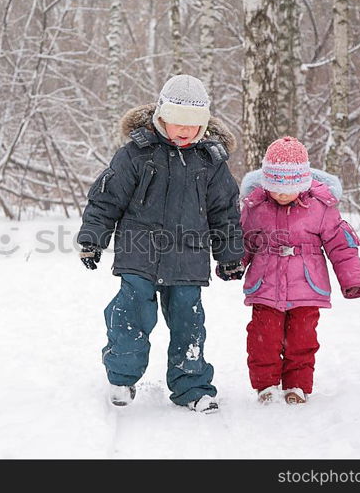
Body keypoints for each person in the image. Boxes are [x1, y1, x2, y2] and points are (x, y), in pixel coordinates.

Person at [77, 74, 244, 413]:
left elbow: (224, 211)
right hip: (140, 252)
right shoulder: (136, 154)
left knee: (189, 322)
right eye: (177, 122)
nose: (184, 131)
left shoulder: (211, 162)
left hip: (188, 258)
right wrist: (93, 238)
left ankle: (191, 386)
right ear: (160, 117)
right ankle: (122, 375)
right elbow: (106, 199)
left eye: (193, 125)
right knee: (132, 311)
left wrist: (229, 255)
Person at [239, 136, 360, 404]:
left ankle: (297, 385)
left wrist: (352, 279)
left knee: (302, 339)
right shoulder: (256, 205)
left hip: (307, 287)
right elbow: (245, 240)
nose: (282, 194)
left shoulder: (321, 207)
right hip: (265, 286)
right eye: (275, 187)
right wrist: (234, 264)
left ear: (303, 182)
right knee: (263, 339)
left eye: (289, 187)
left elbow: (340, 246)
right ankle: (266, 385)